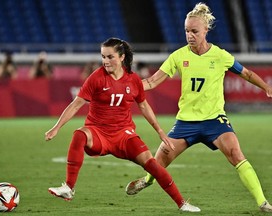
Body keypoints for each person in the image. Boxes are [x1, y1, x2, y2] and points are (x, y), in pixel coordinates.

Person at [125, 3, 272, 213]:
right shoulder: (178, 56)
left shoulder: (220, 56)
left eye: (194, 31)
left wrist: (266, 86)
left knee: (236, 154)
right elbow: (152, 81)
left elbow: (246, 73)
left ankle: (263, 202)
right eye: (186, 31)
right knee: (159, 162)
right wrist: (132, 87)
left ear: (206, 31)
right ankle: (147, 181)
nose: (189, 35)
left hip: (215, 120)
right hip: (186, 122)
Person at [45, 38, 200, 212]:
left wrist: (160, 131)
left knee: (152, 164)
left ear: (121, 57)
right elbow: (76, 104)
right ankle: (68, 188)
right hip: (98, 133)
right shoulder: (96, 78)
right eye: (103, 57)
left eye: (110, 57)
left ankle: (182, 203)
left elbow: (143, 106)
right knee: (79, 135)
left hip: (123, 135)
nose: (105, 61)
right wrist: (56, 127)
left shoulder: (133, 80)